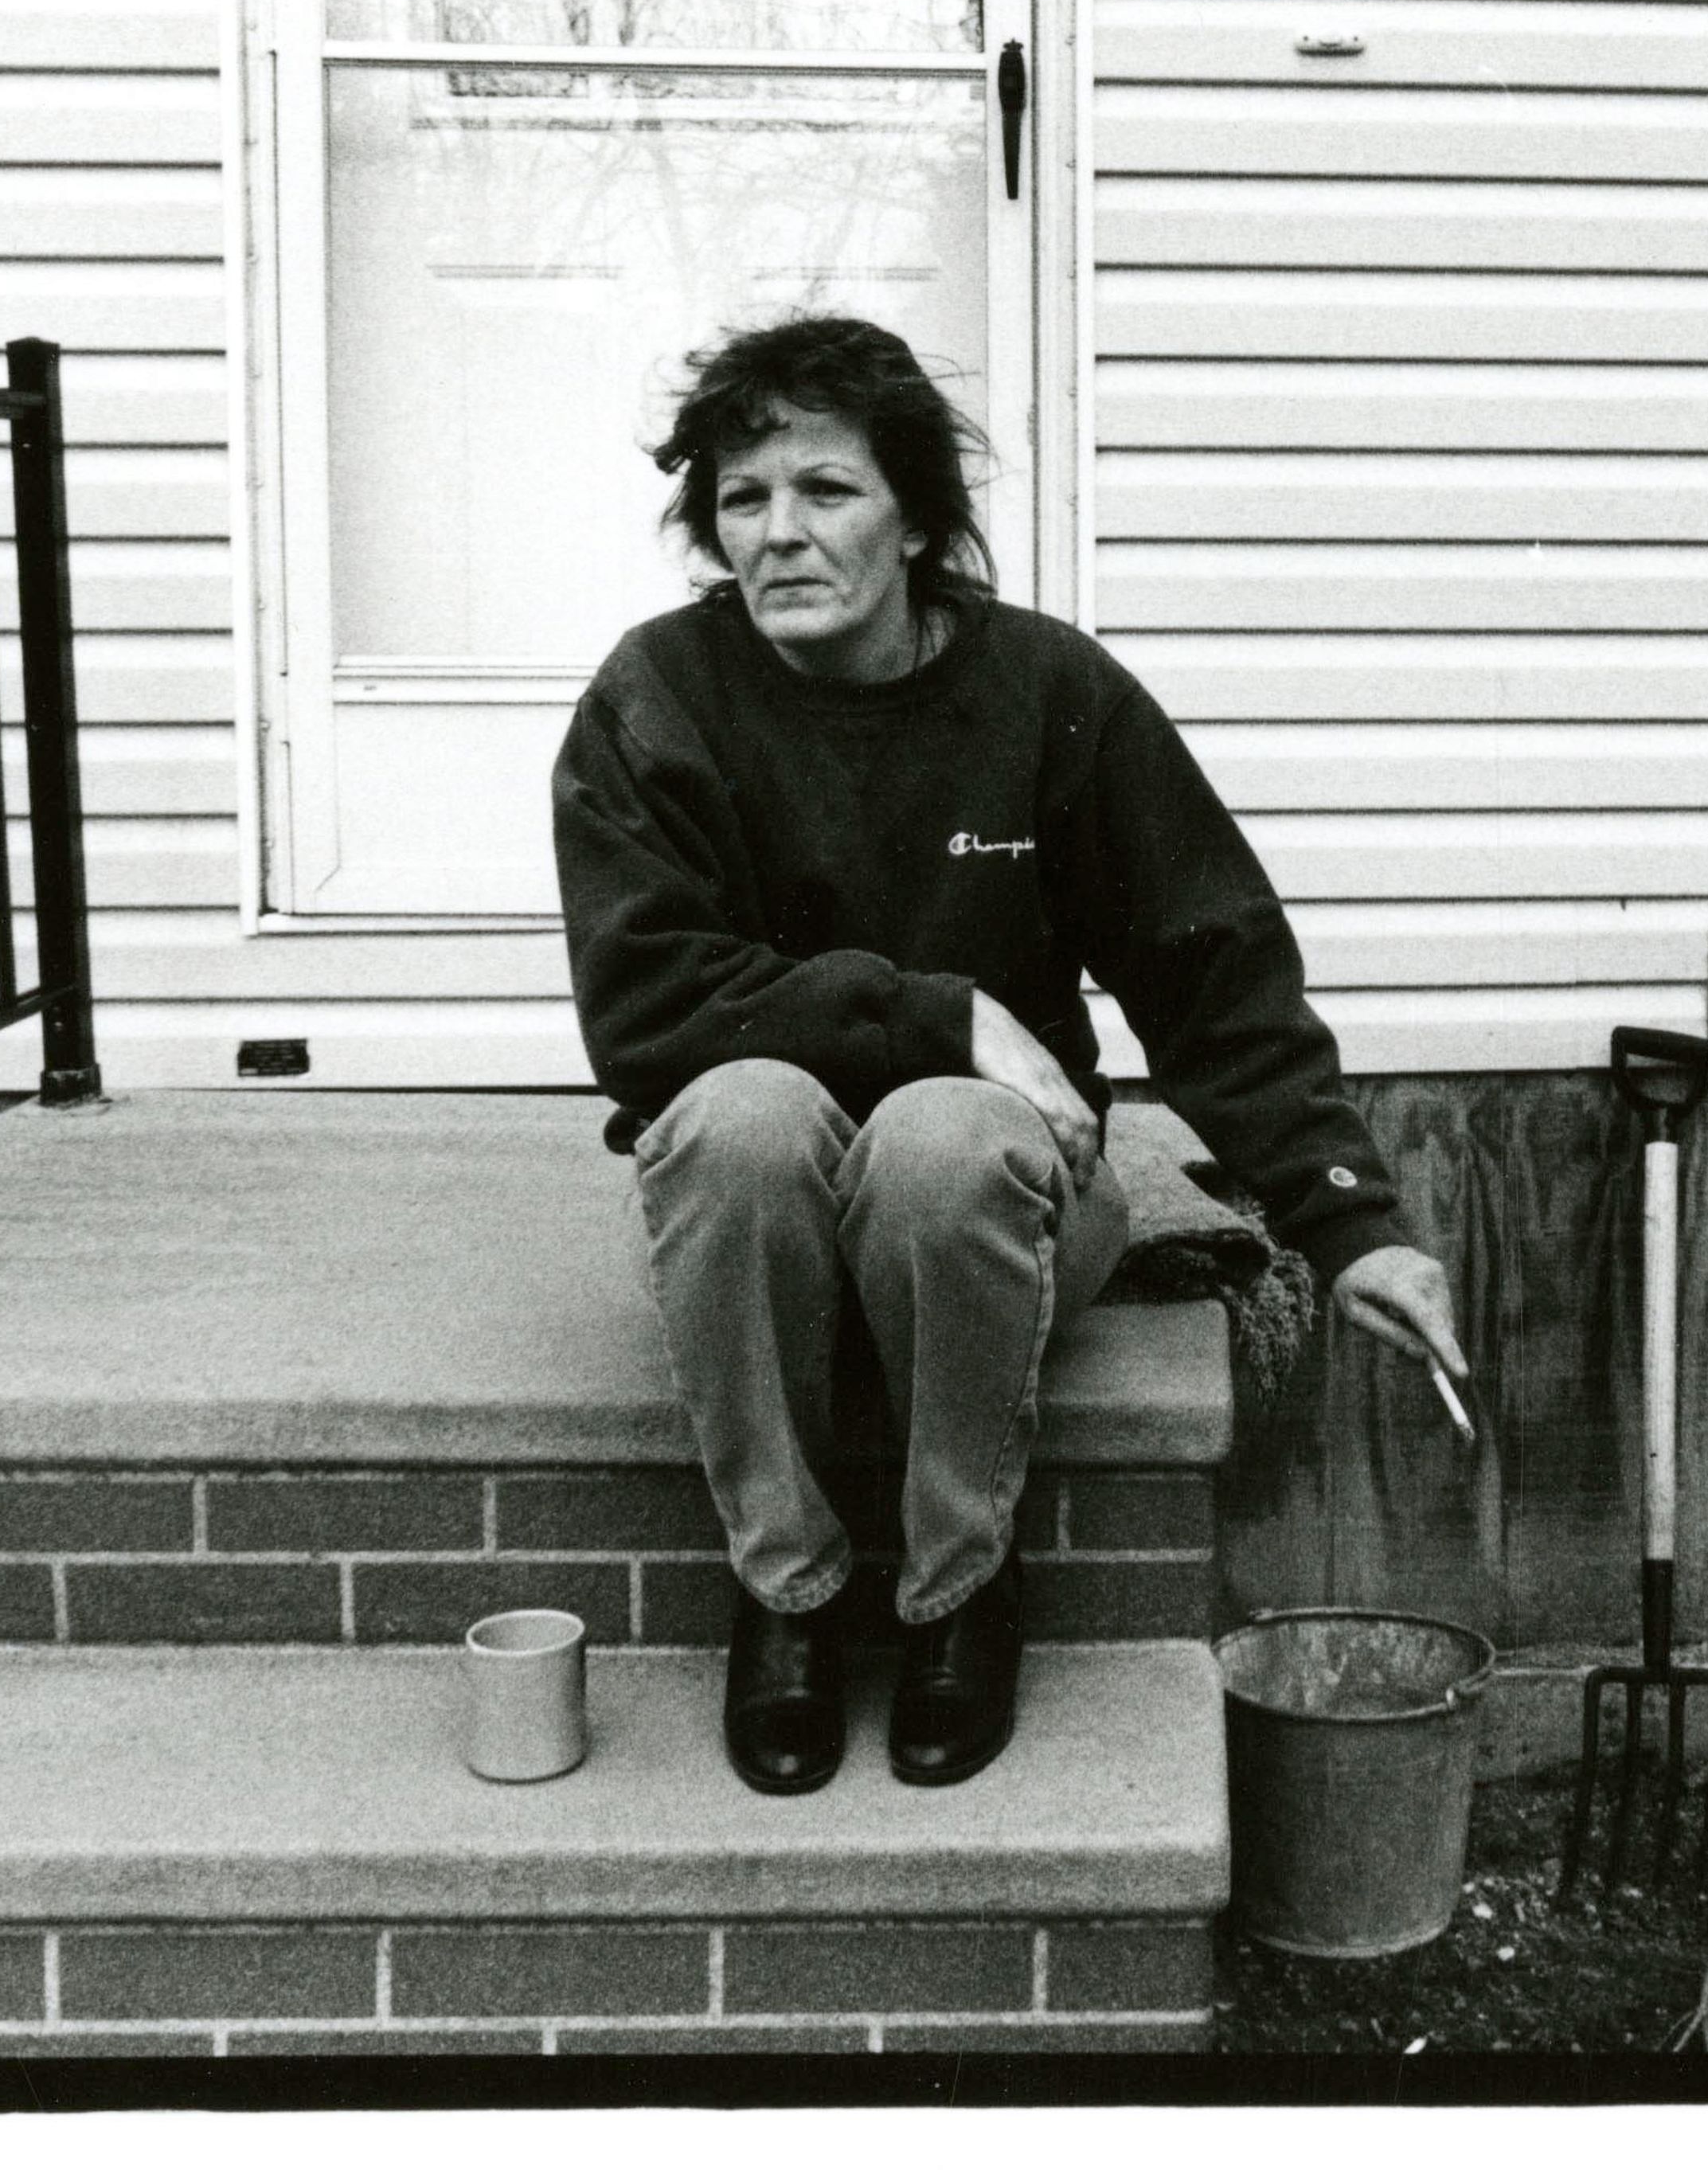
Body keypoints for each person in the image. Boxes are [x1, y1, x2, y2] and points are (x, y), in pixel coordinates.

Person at [552, 315, 1468, 1796]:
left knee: (945, 1137)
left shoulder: (1047, 691)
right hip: (762, 1204)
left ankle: (957, 1585)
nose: (778, 532)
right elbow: (643, 1001)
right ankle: (787, 1589)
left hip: (996, 1195)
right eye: (742, 498)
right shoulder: (658, 695)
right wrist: (942, 1014)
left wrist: (1347, 1218)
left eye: (826, 489)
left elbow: (1209, 961)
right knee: (737, 1120)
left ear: (917, 517)